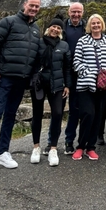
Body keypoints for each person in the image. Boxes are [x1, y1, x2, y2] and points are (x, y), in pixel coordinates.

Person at [0, 0, 41, 174]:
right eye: (31, 5)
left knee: (10, 115)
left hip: (21, 80)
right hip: (4, 77)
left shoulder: (36, 29)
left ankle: (3, 152)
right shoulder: (9, 21)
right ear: (24, 4)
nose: (33, 9)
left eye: (37, 7)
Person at [72, 14, 106, 161]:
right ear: (90, 25)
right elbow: (76, 62)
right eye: (93, 23)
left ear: (102, 25)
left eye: (98, 23)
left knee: (97, 117)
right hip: (86, 84)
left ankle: (91, 147)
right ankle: (80, 146)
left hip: (101, 86)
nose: (96, 25)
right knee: (87, 114)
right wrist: (89, 73)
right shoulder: (82, 41)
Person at [30, 18, 71, 167]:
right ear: (48, 28)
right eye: (53, 26)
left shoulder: (64, 45)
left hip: (58, 85)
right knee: (37, 114)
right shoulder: (38, 43)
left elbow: (67, 67)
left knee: (58, 114)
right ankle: (36, 147)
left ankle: (53, 148)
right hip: (40, 84)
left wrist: (68, 85)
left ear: (61, 31)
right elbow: (32, 63)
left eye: (59, 28)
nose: (56, 29)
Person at [60, 2, 86, 156]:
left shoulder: (87, 28)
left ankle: (71, 141)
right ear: (68, 12)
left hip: (80, 74)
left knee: (76, 110)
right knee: (58, 110)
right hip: (62, 72)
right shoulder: (62, 27)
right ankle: (53, 143)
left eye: (79, 12)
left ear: (82, 13)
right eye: (73, 12)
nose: (76, 14)